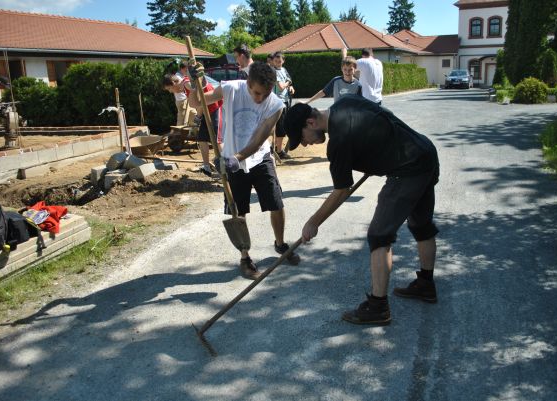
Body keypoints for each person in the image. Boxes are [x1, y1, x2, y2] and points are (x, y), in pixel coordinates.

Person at [283, 96, 440, 326]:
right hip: (425, 152)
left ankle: (378, 307)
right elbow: (380, 118)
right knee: (421, 224)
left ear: (310, 122)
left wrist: (313, 221)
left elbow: (341, 191)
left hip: (407, 168)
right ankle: (426, 285)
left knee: (379, 236)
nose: (304, 144)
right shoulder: (344, 103)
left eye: (301, 138)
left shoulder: (338, 141)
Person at [188, 61, 301, 280]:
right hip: (232, 160)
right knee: (237, 211)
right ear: (248, 82)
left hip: (259, 159)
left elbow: (260, 139)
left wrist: (236, 159)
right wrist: (196, 82)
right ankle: (245, 257)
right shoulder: (231, 88)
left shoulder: (276, 104)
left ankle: (280, 243)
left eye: (265, 94)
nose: (260, 99)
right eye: (257, 93)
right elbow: (197, 103)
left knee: (276, 203)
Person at [272, 51, 295, 160]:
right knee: (280, 128)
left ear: (283, 61)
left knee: (283, 126)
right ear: (273, 61)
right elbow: (281, 86)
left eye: (280, 61)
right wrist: (287, 83)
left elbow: (289, 81)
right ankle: (279, 151)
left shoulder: (284, 70)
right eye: (276, 61)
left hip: (285, 101)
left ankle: (277, 148)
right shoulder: (273, 71)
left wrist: (290, 86)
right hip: (278, 102)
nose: (278, 63)